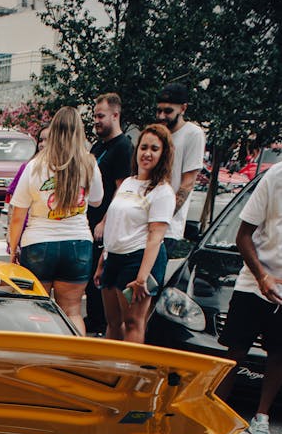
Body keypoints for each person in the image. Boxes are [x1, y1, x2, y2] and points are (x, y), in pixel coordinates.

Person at [8, 106, 103, 335]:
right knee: (72, 311)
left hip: (39, 244)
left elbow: (18, 214)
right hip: (78, 244)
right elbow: (98, 201)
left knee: (36, 310)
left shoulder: (35, 166)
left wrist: (13, 250)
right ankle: (72, 361)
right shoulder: (89, 164)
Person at [216, 162, 282, 434]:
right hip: (254, 281)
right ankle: (214, 412)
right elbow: (243, 235)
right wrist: (262, 276)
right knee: (235, 351)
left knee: (279, 355)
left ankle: (262, 417)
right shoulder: (275, 177)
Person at [94, 124, 175, 344]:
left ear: (164, 154)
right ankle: (110, 371)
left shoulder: (162, 191)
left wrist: (141, 278)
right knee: (112, 322)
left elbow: (155, 236)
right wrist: (103, 260)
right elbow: (115, 222)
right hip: (114, 258)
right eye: (143, 147)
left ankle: (128, 373)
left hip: (138, 261)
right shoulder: (128, 182)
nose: (147, 153)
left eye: (155, 149)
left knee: (132, 323)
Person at [85, 92, 133, 335]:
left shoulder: (123, 147)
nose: (96, 120)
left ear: (115, 115)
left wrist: (105, 221)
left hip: (104, 225)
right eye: (94, 115)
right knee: (89, 279)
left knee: (98, 280)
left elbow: (121, 188)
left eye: (100, 116)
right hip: (88, 220)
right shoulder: (98, 146)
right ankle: (94, 323)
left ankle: (100, 328)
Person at [155, 82, 205, 256]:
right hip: (145, 221)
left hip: (166, 227)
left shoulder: (193, 134)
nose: (162, 115)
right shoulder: (159, 133)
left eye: (168, 111)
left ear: (183, 108)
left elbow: (188, 183)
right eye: (159, 110)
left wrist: (163, 216)